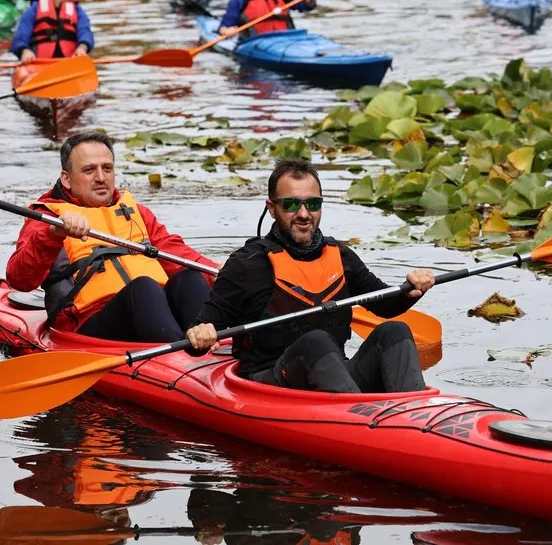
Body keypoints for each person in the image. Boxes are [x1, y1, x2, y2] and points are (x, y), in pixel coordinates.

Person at [186, 159, 434, 394]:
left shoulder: (341, 257)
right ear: (272, 208)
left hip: (333, 375)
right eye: (292, 204)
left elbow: (386, 305)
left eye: (313, 204)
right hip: (269, 384)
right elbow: (204, 326)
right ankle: (356, 423)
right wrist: (201, 334)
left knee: (395, 331)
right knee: (315, 341)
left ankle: (413, 413)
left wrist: (412, 289)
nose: (304, 214)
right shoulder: (247, 264)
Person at [5, 132, 218, 342]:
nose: (100, 178)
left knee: (190, 277)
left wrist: (218, 273)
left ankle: (208, 344)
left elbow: (175, 253)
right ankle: (182, 356)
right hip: (87, 323)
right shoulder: (48, 219)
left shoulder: (136, 211)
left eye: (107, 168)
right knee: (143, 288)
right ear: (66, 179)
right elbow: (20, 279)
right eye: (89, 170)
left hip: (151, 311)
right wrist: (54, 234)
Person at [11, 0, 94, 63]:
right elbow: (21, 35)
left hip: (69, 63)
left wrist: (82, 47)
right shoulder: (33, 10)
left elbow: (85, 31)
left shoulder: (77, 10)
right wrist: (24, 51)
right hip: (39, 64)